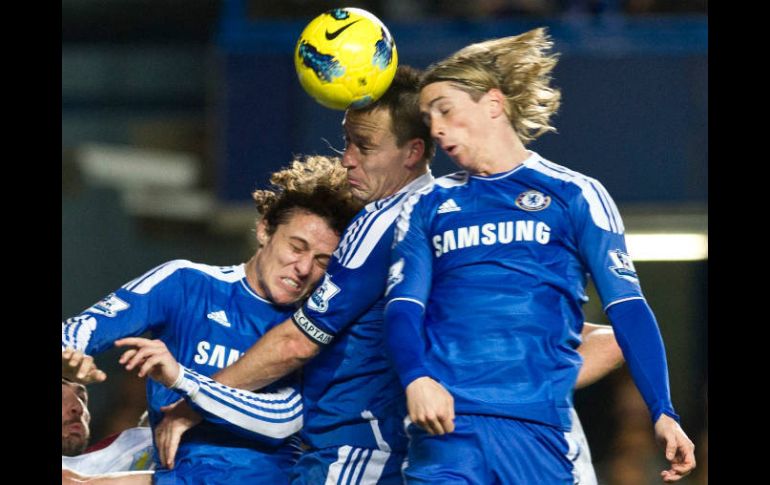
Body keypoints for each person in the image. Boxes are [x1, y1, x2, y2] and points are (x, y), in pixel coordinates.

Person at [121, 66, 627, 485]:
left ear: (412, 153)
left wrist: (195, 403)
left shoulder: (389, 220)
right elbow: (605, 340)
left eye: (363, 146)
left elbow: (297, 344)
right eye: (347, 142)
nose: (346, 161)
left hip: (358, 460)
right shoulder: (461, 216)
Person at [383, 27, 696, 484]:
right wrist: (416, 378)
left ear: (492, 104)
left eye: (445, 110)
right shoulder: (426, 205)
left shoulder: (575, 194)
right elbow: (402, 308)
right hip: (448, 432)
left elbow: (628, 309)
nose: (435, 128)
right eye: (429, 117)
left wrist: (662, 411)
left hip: (541, 433)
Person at [61, 155, 360, 485]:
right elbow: (79, 329)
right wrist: (68, 357)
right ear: (264, 230)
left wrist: (183, 382)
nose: (304, 268)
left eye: (321, 260)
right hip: (174, 475)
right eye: (296, 247)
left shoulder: (316, 326)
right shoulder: (184, 283)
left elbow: (284, 419)